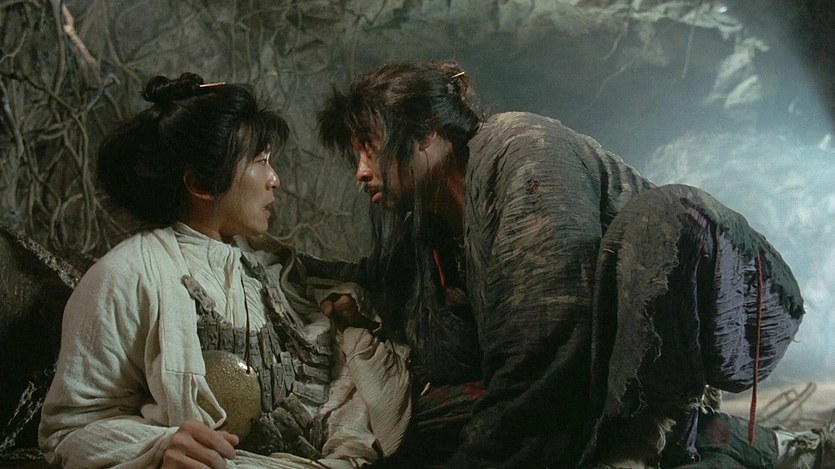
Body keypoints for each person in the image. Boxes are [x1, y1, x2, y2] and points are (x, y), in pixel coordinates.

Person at [314, 60, 808, 468]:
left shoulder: (522, 150)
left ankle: (639, 440)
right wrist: (282, 260)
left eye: (369, 148)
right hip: (596, 360)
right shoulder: (429, 232)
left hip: (733, 297)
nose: (361, 172)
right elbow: (373, 279)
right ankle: (752, 447)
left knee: (665, 216)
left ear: (427, 132)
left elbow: (547, 333)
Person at [38, 73, 411, 469]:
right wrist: (160, 448)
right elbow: (69, 431)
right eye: (260, 161)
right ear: (202, 183)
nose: (274, 179)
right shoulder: (127, 276)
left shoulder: (280, 274)